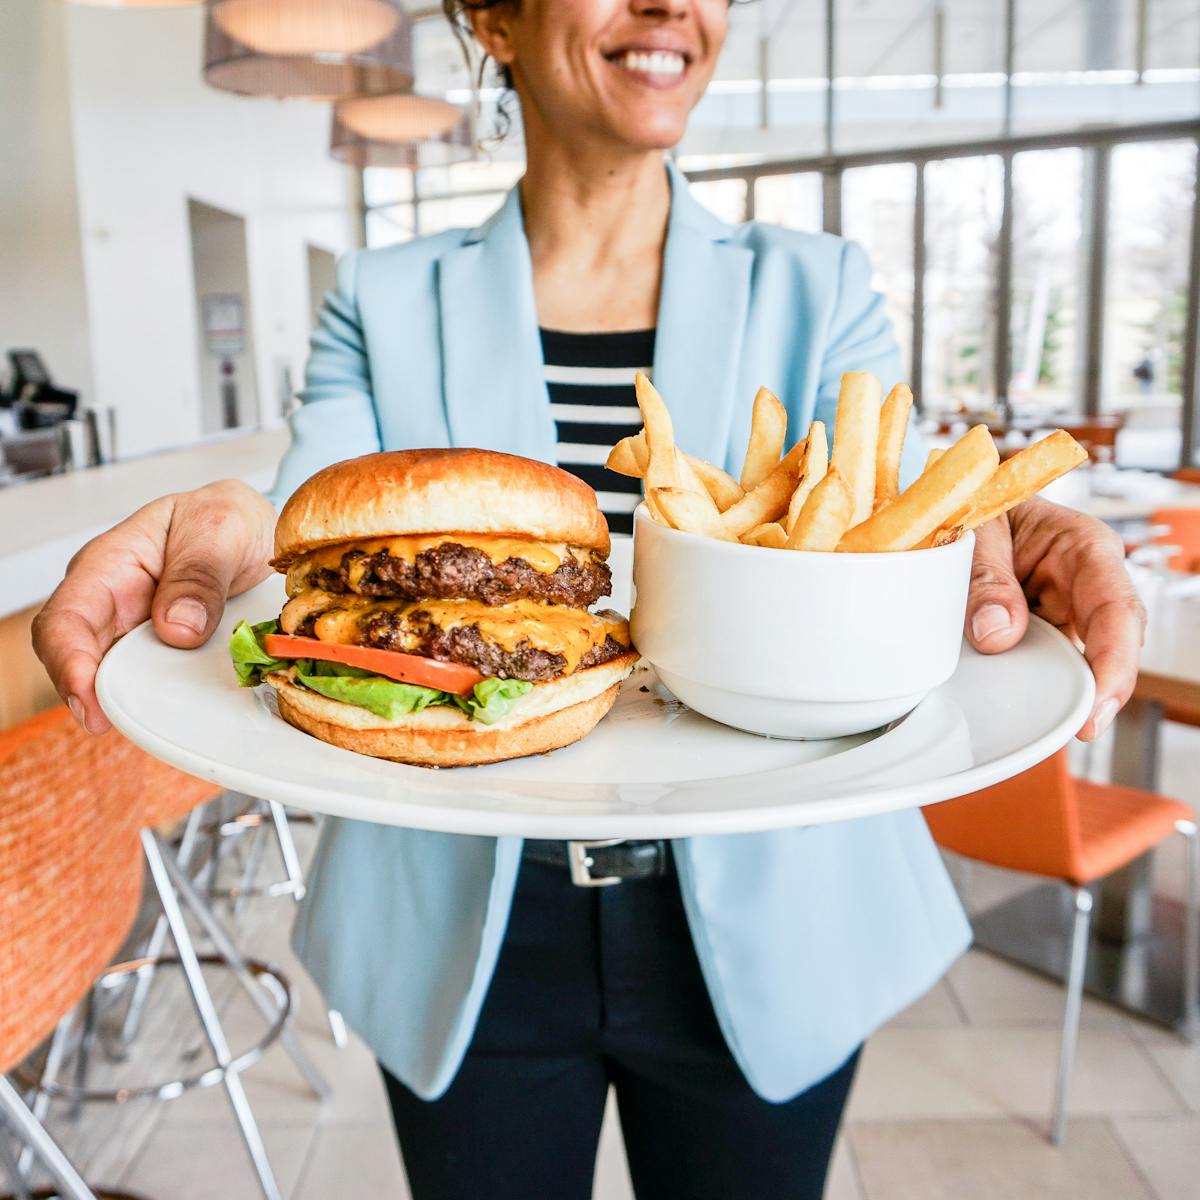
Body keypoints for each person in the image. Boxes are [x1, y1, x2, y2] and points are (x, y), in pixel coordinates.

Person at [33, 2, 1144, 1196]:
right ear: (496, 20)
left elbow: (915, 498)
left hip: (786, 902)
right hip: (458, 918)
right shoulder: (385, 292)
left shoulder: (820, 286)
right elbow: (308, 516)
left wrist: (993, 525)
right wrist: (234, 529)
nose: (672, 5)